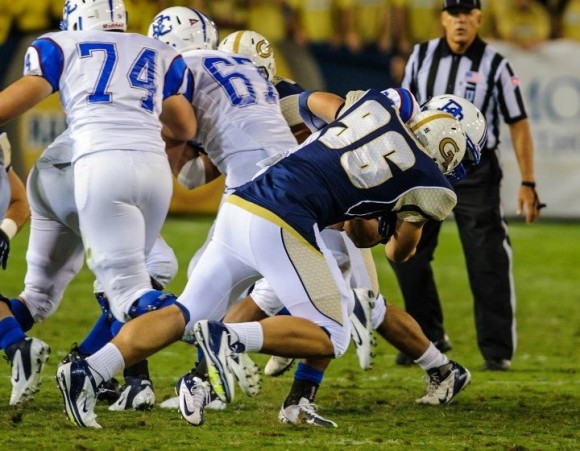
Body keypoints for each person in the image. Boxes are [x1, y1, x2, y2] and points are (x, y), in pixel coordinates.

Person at [56, 80, 472, 429]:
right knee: (332, 333)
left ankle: (89, 370)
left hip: (242, 202)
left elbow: (350, 191)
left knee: (186, 311)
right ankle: (229, 338)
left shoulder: (386, 100)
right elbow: (398, 252)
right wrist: (401, 217)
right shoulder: (433, 185)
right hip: (285, 218)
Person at [0, 0, 196, 409]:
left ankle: (24, 347)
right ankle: (210, 334)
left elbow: (16, 101)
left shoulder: (61, 43)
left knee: (38, 297)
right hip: (148, 168)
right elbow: (185, 127)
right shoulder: (159, 51)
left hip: (71, 169)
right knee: (143, 277)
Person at [392, 0, 544, 370]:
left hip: (476, 173)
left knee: (486, 256)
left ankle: (496, 351)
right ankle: (425, 338)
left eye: (467, 13)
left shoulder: (496, 63)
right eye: (453, 13)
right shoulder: (421, 56)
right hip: (426, 167)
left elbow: (518, 122)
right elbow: (403, 111)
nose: (460, 20)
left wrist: (528, 181)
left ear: (478, 17)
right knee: (405, 252)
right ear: (443, 18)